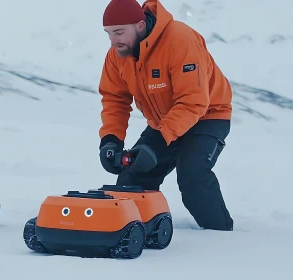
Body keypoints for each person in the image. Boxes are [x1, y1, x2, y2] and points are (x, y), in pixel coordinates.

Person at [98, 0, 234, 231]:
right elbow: (115, 98)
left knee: (193, 176)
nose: (113, 41)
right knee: (132, 178)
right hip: (164, 122)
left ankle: (220, 238)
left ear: (140, 25)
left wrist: (158, 142)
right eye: (109, 34)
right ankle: (134, 232)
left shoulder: (179, 40)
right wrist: (110, 139)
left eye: (119, 32)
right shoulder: (117, 54)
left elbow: (193, 101)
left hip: (207, 116)